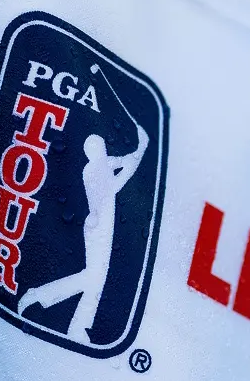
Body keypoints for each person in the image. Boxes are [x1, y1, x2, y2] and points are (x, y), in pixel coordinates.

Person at [17, 121, 150, 344]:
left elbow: (128, 160)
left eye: (103, 146)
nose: (104, 149)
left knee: (96, 281)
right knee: (92, 278)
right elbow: (117, 184)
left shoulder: (105, 163)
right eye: (99, 147)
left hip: (104, 226)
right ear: (92, 152)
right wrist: (140, 151)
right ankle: (39, 295)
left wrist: (141, 147)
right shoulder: (92, 171)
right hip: (98, 228)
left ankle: (78, 329)